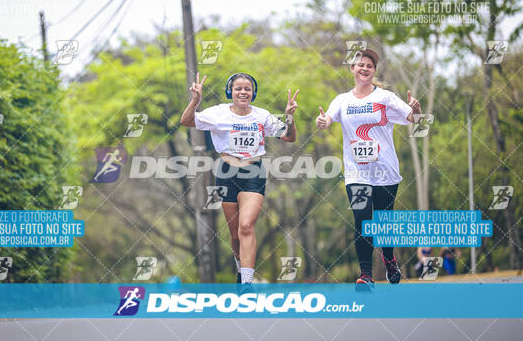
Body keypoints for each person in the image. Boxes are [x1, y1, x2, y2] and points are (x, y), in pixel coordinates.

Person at [181, 72, 298, 287]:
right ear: (230, 92)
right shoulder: (218, 113)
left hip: (253, 172)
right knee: (235, 234)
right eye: (238, 88)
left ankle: (246, 284)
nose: (243, 92)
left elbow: (289, 137)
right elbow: (187, 121)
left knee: (246, 226)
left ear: (253, 93)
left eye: (247, 89)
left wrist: (289, 117)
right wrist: (196, 101)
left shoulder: (262, 116)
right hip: (226, 173)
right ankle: (239, 269)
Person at [316, 48, 422, 285]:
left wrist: (416, 109)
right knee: (363, 221)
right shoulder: (342, 100)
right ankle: (366, 275)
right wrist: (322, 121)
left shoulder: (384, 97)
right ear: (352, 69)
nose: (364, 68)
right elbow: (327, 120)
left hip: (385, 170)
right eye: (360, 65)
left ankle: (389, 259)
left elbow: (413, 119)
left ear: (374, 70)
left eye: (369, 66)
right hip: (356, 172)